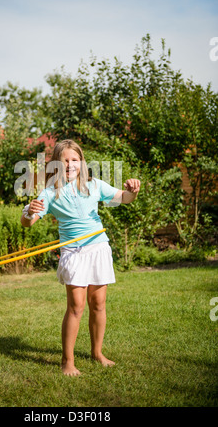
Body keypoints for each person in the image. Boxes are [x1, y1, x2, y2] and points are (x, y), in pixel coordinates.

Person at [21, 139, 140, 376]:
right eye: (64, 160)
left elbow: (123, 198)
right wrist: (28, 212)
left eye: (74, 160)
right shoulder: (50, 192)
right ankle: (68, 361)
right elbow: (28, 223)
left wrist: (132, 191)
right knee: (75, 306)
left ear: (81, 162)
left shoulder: (94, 185)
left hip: (97, 248)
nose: (70, 164)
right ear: (55, 164)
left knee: (98, 304)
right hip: (73, 252)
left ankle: (97, 353)